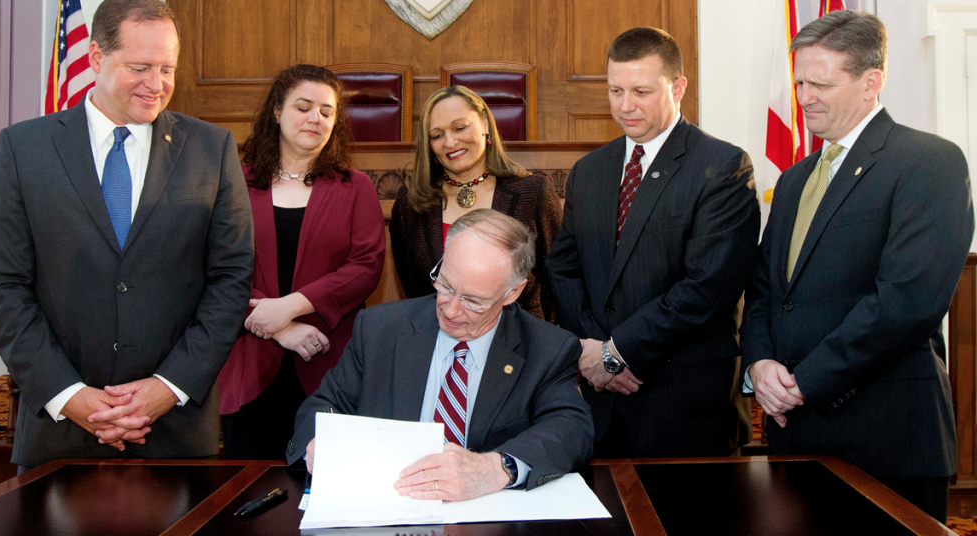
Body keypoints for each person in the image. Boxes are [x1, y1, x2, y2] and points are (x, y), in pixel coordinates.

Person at [0, 0, 254, 470]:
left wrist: (167, 388)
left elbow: (231, 280)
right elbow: (4, 285)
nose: (157, 84)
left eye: (168, 68)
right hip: (59, 431)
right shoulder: (23, 149)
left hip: (175, 430)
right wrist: (71, 397)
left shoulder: (212, 148)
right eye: (140, 67)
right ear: (96, 57)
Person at [739, 11, 973, 523]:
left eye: (820, 83)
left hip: (886, 439)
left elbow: (908, 302)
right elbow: (764, 289)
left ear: (872, 82)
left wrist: (804, 382)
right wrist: (759, 367)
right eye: (799, 81)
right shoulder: (797, 179)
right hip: (793, 435)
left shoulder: (929, 162)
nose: (803, 98)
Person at [545, 27, 760, 459]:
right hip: (602, 404)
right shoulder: (589, 170)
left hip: (683, 403)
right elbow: (564, 269)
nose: (626, 106)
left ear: (678, 87)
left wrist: (615, 354)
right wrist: (595, 354)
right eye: (616, 90)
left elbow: (707, 289)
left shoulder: (723, 166)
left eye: (642, 91)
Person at [287, 209, 592, 501]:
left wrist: (495, 469)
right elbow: (323, 406)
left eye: (473, 301)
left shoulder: (547, 348)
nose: (451, 309)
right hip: (389, 508)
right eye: (445, 285)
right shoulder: (381, 330)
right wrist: (317, 443)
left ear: (512, 293)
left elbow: (571, 428)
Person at [217, 65, 386, 460]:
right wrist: (279, 328)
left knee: (325, 488)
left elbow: (366, 265)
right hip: (249, 357)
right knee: (247, 490)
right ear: (277, 111)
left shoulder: (354, 186)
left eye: (327, 112)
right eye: (304, 107)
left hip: (328, 361)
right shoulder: (234, 182)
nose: (316, 118)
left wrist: (290, 307)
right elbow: (217, 266)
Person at [390, 86, 562, 323]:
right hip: (440, 343)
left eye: (460, 127)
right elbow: (414, 291)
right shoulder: (409, 204)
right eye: (437, 135)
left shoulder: (534, 192)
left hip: (523, 345)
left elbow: (560, 280)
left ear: (485, 124)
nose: (450, 142)